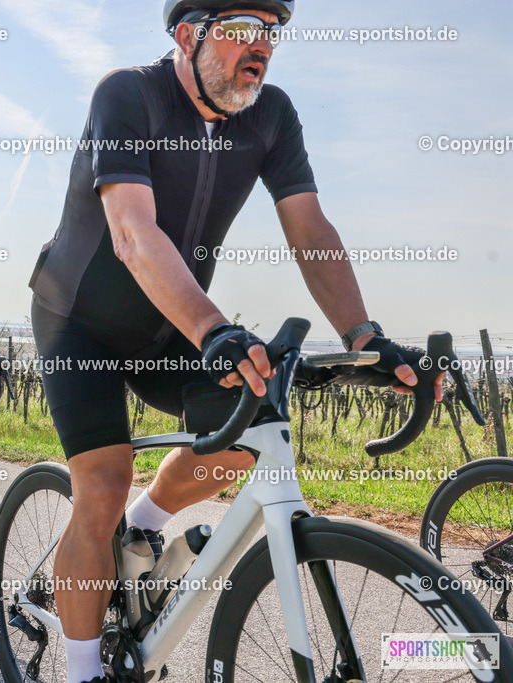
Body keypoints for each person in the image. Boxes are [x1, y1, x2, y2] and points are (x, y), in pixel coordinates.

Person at [27, 2, 443, 681]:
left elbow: (309, 230)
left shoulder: (272, 115)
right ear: (188, 36)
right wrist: (214, 328)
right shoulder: (127, 93)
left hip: (170, 325)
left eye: (270, 33)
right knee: (101, 483)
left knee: (251, 432)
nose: (262, 47)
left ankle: (139, 529)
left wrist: (365, 338)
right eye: (242, 30)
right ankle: (82, 670)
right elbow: (131, 233)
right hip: (82, 321)